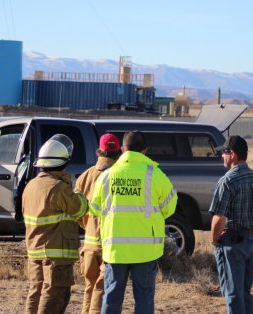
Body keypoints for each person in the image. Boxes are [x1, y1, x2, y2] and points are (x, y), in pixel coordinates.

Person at [90, 130, 177, 314]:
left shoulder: (107, 175)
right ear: (144, 151)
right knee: (144, 299)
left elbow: (95, 209)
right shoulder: (155, 175)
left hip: (115, 250)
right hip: (145, 251)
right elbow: (170, 207)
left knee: (112, 297)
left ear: (122, 149)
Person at [22, 134, 88, 314]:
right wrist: (80, 193)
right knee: (54, 296)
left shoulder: (31, 186)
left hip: (34, 250)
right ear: (63, 162)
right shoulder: (59, 188)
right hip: (56, 255)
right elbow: (80, 209)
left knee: (36, 292)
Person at [75, 133, 121, 314]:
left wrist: (89, 226)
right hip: (110, 244)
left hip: (90, 242)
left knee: (89, 286)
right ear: (118, 151)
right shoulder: (119, 175)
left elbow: (77, 211)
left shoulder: (85, 177)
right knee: (101, 288)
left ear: (99, 152)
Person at [209, 135, 253, 314]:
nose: (222, 156)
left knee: (233, 294)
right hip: (251, 242)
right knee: (245, 292)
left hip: (233, 243)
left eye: (224, 152)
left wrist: (215, 241)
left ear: (233, 154)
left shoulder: (227, 181)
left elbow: (219, 218)